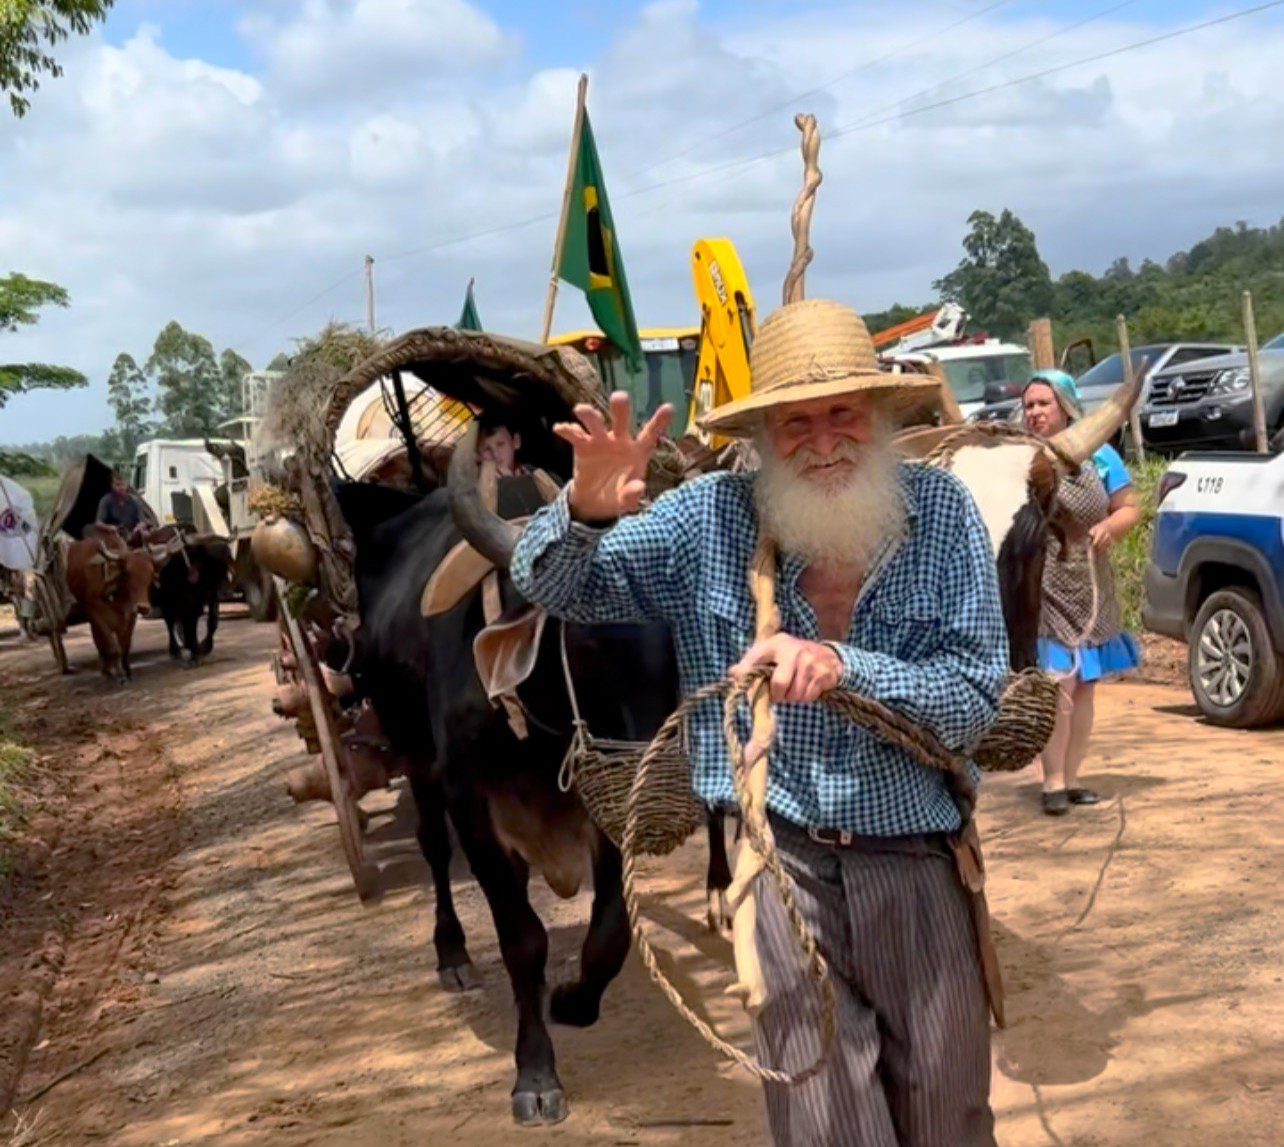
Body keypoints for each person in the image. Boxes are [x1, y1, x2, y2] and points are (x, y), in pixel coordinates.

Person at [513, 299, 1008, 1147]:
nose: (823, 440)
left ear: (881, 415)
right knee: (823, 1120)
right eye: (795, 422)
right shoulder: (708, 517)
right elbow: (556, 587)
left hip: (921, 863)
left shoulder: (944, 516)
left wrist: (852, 670)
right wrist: (585, 515)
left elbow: (975, 694)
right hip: (781, 868)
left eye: (843, 413)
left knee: (948, 1113)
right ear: (762, 436)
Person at [1022, 369, 1141, 816]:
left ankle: (1073, 779)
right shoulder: (1021, 458)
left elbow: (1129, 507)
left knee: (1086, 687)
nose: (1034, 412)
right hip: (1044, 582)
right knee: (1059, 685)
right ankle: (1051, 782)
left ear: (1065, 405)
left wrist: (1111, 526)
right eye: (1028, 405)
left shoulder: (1104, 457)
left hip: (1092, 583)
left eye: (1042, 404)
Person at [95, 471, 147, 542]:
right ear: (112, 485)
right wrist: (109, 527)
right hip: (112, 536)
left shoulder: (135, 501)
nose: (120, 487)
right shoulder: (106, 500)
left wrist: (139, 527)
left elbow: (143, 522)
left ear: (127, 485)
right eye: (117, 485)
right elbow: (98, 523)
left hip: (132, 535)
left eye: (123, 485)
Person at [476, 412, 526, 477]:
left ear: (516, 442)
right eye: (487, 449)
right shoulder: (478, 484)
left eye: (500, 444)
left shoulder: (533, 476)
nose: (495, 454)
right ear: (479, 455)